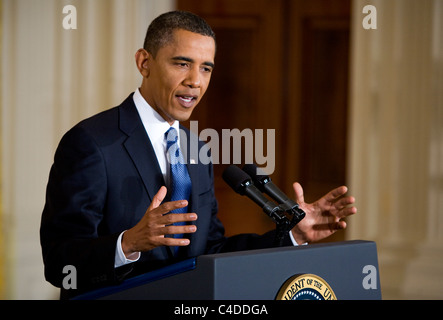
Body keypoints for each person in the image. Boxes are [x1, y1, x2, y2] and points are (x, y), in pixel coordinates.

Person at [40, 11, 356, 298]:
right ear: (144, 63)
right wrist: (128, 243)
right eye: (182, 63)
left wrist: (291, 236)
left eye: (205, 68)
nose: (195, 80)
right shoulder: (90, 142)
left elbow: (209, 251)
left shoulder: (195, 148)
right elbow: (60, 265)